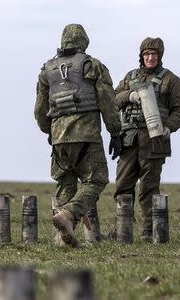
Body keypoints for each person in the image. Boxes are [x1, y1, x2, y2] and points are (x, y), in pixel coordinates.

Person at [34, 24, 121, 247]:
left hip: (59, 139)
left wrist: (51, 131)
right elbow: (108, 103)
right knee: (96, 179)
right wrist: (116, 132)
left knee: (66, 184)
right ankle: (69, 215)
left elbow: (39, 110)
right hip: (86, 136)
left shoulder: (47, 70)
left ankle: (63, 240)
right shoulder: (93, 66)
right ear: (84, 41)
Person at [113, 37, 180, 241]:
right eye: (146, 54)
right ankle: (122, 227)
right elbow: (113, 98)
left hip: (154, 139)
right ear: (141, 56)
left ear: (160, 56)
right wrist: (129, 95)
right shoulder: (130, 77)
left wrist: (169, 127)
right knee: (122, 185)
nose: (150, 57)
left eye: (154, 54)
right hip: (129, 139)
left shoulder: (171, 80)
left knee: (148, 187)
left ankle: (148, 229)